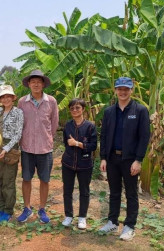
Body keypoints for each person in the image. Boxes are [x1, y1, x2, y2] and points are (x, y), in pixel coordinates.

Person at [98, 77, 150, 241]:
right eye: (120, 89)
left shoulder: (140, 110)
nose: (122, 92)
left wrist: (138, 160)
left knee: (131, 193)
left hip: (130, 160)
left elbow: (144, 137)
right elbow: (104, 135)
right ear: (115, 90)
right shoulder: (109, 112)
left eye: (126, 89)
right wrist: (103, 158)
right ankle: (112, 221)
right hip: (112, 158)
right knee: (114, 192)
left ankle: (129, 226)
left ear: (131, 90)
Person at [17, 69, 59, 223]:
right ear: (28, 84)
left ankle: (42, 208)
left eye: (38, 82)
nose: (36, 84)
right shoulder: (22, 102)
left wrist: (46, 137)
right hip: (27, 148)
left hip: (45, 148)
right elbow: (19, 123)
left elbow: (54, 124)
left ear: (43, 84)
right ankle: (27, 208)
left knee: (45, 180)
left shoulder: (51, 102)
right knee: (26, 178)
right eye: (33, 81)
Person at [61, 98, 97, 229]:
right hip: (68, 163)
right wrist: (71, 147)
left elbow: (93, 145)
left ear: (83, 109)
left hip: (85, 164)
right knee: (67, 190)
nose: (75, 110)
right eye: (72, 108)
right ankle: (68, 215)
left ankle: (82, 217)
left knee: (84, 190)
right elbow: (65, 142)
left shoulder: (90, 126)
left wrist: (78, 144)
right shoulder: (68, 125)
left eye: (77, 108)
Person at [0, 85, 24, 222]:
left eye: (8, 96)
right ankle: (1, 208)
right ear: (0, 99)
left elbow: (18, 134)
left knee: (8, 181)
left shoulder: (18, 112)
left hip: (11, 149)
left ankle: (8, 210)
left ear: (13, 98)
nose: (6, 99)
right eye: (3, 96)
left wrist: (6, 149)